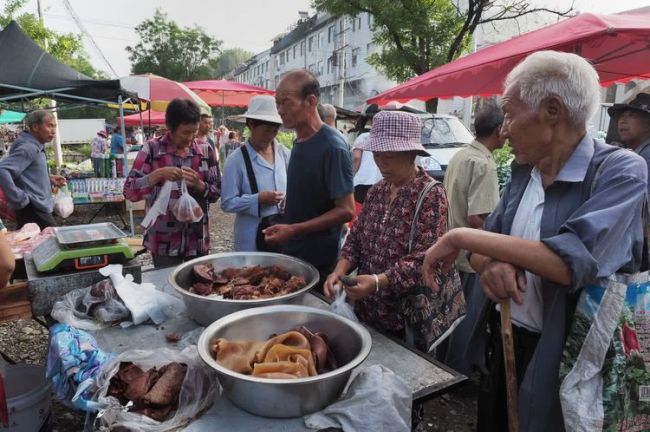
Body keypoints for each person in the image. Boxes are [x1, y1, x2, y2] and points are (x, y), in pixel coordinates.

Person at [422, 51, 648, 432]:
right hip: (508, 341)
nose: (504, 128)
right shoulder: (525, 174)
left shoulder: (622, 171)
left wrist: (459, 235)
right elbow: (484, 248)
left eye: (510, 113)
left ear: (553, 110)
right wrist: (492, 265)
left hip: (574, 364)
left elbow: (569, 263)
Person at [324, 110, 463, 345]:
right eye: (377, 155)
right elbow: (357, 237)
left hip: (406, 316)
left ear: (411, 154)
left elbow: (425, 257)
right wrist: (339, 270)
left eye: (389, 156)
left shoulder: (430, 195)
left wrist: (379, 281)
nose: (381, 163)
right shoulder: (378, 190)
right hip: (369, 309)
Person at [265, 69, 355, 283]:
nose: (280, 110)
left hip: (319, 261)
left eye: (285, 102)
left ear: (310, 101)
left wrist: (295, 229)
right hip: (294, 251)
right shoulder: (299, 141)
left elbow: (346, 210)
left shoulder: (333, 147)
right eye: (277, 103)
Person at [440, 105, 505, 371]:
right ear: (499, 131)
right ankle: (459, 372)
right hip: (471, 257)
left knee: (450, 317)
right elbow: (479, 218)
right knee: (467, 320)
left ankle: (447, 366)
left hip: (452, 249)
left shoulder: (461, 155)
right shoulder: (483, 164)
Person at [123, 98, 221, 268]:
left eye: (194, 132)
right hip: (164, 241)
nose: (191, 138)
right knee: (166, 290)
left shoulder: (205, 151)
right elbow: (129, 192)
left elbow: (217, 192)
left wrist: (199, 185)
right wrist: (157, 175)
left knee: (198, 288)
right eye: (185, 132)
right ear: (170, 127)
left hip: (197, 239)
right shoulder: (152, 150)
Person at [221, 95, 289, 251]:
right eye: (266, 130)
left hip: (281, 233)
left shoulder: (284, 154)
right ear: (251, 124)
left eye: (275, 130)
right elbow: (227, 203)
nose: (271, 135)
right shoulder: (236, 161)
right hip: (250, 236)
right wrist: (257, 199)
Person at [0, 111, 67, 229]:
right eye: (49, 125)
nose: (53, 131)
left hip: (35, 207)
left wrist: (49, 178)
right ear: (35, 127)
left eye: (54, 126)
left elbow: (24, 172)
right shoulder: (29, 147)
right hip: (34, 208)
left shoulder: (34, 145)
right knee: (51, 242)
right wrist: (19, 198)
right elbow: (3, 170)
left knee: (32, 244)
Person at [608, 93, 650, 176]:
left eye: (632, 115)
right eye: (622, 116)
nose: (623, 121)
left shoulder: (647, 156)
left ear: (648, 125)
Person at [352, 132, 382, 204]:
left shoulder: (364, 136)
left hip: (362, 181)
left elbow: (356, 158)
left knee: (360, 211)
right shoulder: (391, 138)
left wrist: (352, 175)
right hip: (382, 182)